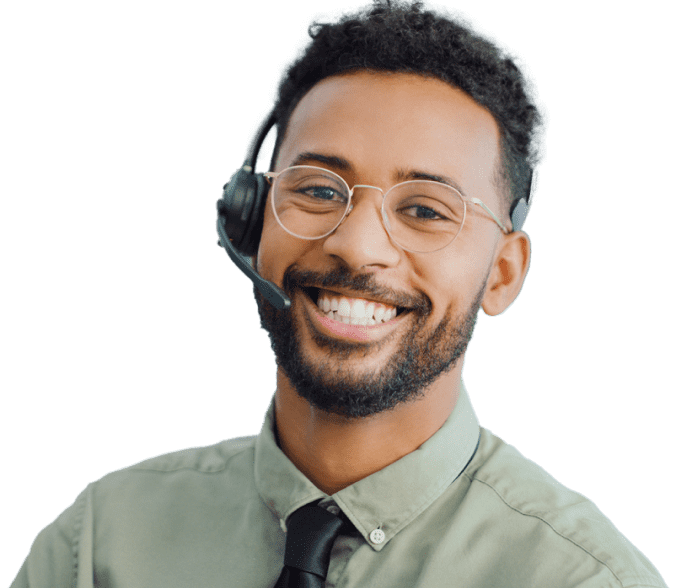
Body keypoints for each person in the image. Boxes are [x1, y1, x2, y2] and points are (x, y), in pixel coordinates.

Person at [10, 1, 668, 587]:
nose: (357, 245)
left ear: (502, 273)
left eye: (426, 210)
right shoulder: (97, 546)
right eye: (319, 190)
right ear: (251, 217)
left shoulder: (583, 578)